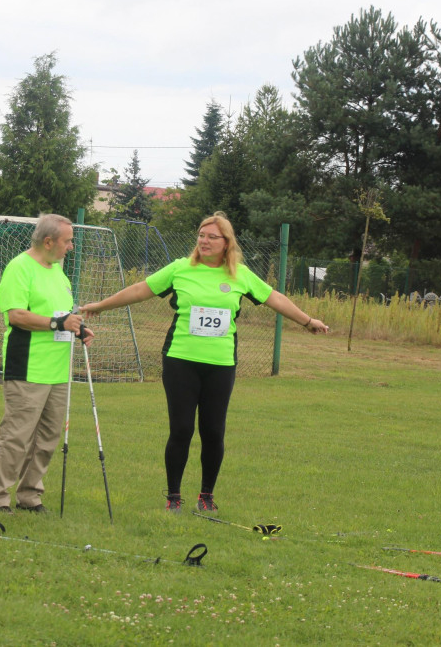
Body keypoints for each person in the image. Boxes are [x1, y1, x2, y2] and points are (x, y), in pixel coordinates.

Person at [81, 211, 328, 513]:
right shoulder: (180, 269)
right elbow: (139, 290)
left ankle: (206, 496)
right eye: (201, 235)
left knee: (213, 431)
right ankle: (173, 497)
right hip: (180, 361)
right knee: (181, 429)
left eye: (213, 236)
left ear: (227, 243)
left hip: (220, 365)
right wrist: (101, 306)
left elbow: (274, 298)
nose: (205, 240)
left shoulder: (240, 275)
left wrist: (307, 321)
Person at [0, 213, 93, 515]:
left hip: (59, 371)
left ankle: (30, 495)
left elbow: (60, 316)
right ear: (48, 242)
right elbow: (16, 315)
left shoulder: (58, 271)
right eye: (67, 241)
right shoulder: (20, 268)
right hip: (28, 368)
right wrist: (59, 323)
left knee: (47, 439)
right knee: (17, 437)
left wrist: (76, 327)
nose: (71, 246)